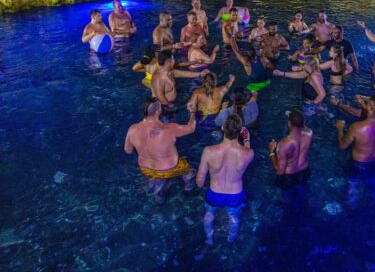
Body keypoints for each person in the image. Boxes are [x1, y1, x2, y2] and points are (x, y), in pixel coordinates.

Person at [124, 97, 197, 204]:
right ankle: (188, 188)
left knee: (156, 176)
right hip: (169, 169)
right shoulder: (168, 129)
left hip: (145, 169)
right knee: (190, 171)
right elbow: (191, 128)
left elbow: (128, 150)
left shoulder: (132, 129)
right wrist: (193, 112)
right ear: (158, 111)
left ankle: (158, 192)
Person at [197, 114, 254, 244]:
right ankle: (231, 238)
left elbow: (200, 181)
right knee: (233, 216)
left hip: (214, 193)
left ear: (222, 128)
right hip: (235, 195)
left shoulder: (208, 151)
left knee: (209, 214)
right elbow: (247, 154)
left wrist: (201, 186)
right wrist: (247, 140)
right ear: (240, 131)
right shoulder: (248, 153)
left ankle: (210, 239)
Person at [336, 95, 375, 208]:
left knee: (352, 185)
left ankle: (351, 207)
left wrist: (340, 129)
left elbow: (342, 146)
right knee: (374, 185)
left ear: (368, 108)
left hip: (358, 165)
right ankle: (374, 208)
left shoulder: (357, 127)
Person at [268, 109, 313, 206]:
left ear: (289, 123)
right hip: (304, 172)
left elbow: (279, 171)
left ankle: (288, 211)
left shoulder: (284, 144)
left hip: (289, 176)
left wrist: (271, 152)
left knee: (286, 198)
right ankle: (299, 207)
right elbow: (303, 128)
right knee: (301, 193)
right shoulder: (309, 133)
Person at [151, 50, 209, 121]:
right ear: (167, 62)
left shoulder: (169, 71)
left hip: (172, 104)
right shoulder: (158, 78)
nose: (174, 60)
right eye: (173, 59)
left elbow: (182, 73)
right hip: (164, 109)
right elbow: (160, 98)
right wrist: (172, 107)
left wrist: (200, 74)